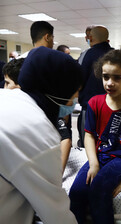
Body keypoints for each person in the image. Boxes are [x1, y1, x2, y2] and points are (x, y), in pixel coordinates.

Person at [0, 46, 83, 224]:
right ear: (58, 89)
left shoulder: (4, 97)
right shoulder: (40, 133)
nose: (76, 98)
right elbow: (56, 215)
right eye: (75, 91)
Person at [69, 46, 121, 224]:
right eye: (106, 77)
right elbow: (89, 136)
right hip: (100, 155)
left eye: (116, 77)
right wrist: (93, 164)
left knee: (98, 190)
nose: (109, 83)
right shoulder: (94, 103)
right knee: (76, 193)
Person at [77, 25, 113, 147]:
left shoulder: (86, 54)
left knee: (88, 146)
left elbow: (79, 83)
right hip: (114, 110)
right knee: (110, 146)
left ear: (90, 38)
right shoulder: (117, 55)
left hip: (91, 110)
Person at [56, 44, 74, 173]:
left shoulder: (68, 72)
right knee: (62, 138)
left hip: (65, 113)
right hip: (58, 112)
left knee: (66, 136)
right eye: (67, 54)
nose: (69, 57)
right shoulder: (55, 71)